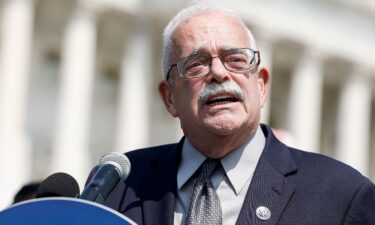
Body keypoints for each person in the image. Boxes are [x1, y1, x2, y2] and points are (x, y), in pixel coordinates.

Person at [91, 2, 375, 225]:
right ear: (169, 98)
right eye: (196, 64)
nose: (218, 72)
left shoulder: (342, 195)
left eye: (236, 60)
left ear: (261, 85)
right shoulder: (118, 187)